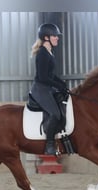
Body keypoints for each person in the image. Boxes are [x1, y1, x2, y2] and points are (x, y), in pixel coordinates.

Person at [29, 23, 68, 155]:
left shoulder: (49, 52)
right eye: (54, 36)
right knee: (55, 114)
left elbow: (51, 75)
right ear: (46, 37)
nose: (57, 38)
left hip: (47, 87)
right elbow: (43, 77)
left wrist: (62, 83)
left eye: (57, 36)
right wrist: (58, 85)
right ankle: (49, 145)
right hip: (40, 89)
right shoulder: (42, 54)